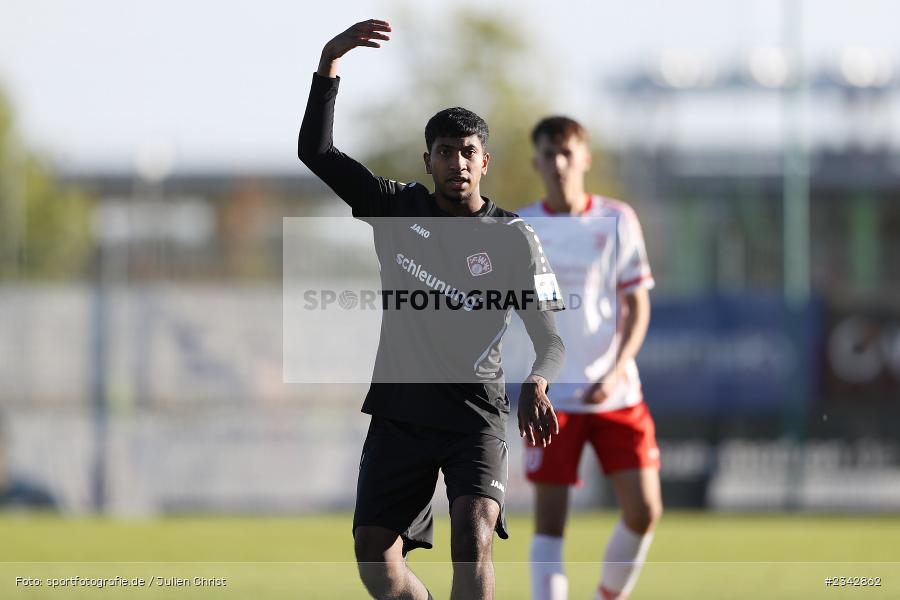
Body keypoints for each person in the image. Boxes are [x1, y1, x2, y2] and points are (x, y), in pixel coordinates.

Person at [297, 20, 566, 600]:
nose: (458, 163)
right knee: (376, 560)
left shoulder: (515, 238)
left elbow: (550, 337)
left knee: (472, 541)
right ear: (429, 160)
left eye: (469, 152)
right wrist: (329, 64)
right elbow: (315, 153)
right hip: (401, 412)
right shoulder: (396, 209)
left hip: (475, 417)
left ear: (485, 162)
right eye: (446, 152)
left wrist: (538, 381)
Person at [518, 117, 662, 600]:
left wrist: (616, 369)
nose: (558, 163)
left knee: (644, 511)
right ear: (536, 162)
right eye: (548, 154)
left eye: (566, 152)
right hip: (550, 399)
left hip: (615, 393)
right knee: (550, 524)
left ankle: (608, 595)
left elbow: (637, 302)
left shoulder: (617, 218)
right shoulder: (520, 225)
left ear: (584, 158)